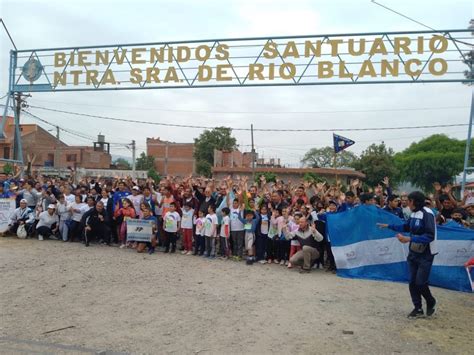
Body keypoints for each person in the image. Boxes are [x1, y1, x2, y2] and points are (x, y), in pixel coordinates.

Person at [378, 191, 437, 318]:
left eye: (409, 201)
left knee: (420, 282)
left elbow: (430, 235)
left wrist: (409, 239)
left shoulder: (427, 214)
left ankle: (430, 300)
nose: (406, 203)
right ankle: (418, 307)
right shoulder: (414, 213)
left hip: (426, 254)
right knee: (412, 281)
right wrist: (389, 226)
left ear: (415, 202)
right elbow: (406, 227)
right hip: (413, 252)